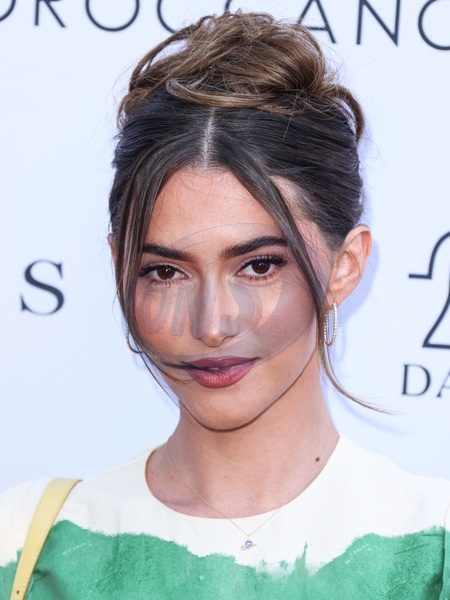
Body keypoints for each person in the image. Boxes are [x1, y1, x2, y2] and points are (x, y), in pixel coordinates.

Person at [1, 12, 449, 599]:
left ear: (345, 265)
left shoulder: (431, 554)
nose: (211, 324)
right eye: (165, 272)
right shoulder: (28, 547)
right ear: (119, 267)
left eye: (259, 266)